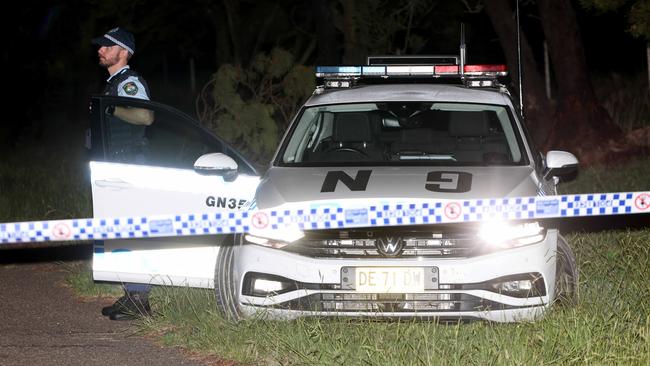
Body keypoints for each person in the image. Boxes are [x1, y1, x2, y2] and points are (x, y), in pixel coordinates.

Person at [92, 27, 153, 320]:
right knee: (119, 233)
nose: (101, 49)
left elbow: (145, 115)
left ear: (124, 52)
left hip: (131, 164)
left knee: (132, 232)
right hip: (115, 165)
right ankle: (131, 294)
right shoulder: (112, 83)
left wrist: (112, 110)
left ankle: (140, 301)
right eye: (101, 46)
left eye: (107, 46)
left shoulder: (129, 82)